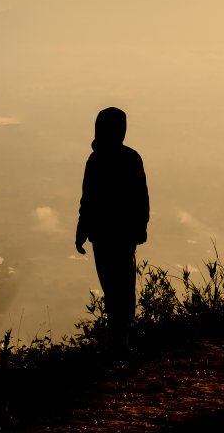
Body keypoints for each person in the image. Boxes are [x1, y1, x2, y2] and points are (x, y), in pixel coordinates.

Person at [75, 107, 149, 341]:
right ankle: (122, 338)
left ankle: (118, 339)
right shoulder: (130, 158)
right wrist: (140, 227)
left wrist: (82, 231)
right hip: (123, 236)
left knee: (113, 288)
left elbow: (88, 201)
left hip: (104, 236)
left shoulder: (96, 160)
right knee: (124, 288)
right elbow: (141, 198)